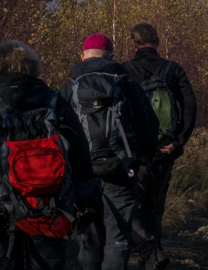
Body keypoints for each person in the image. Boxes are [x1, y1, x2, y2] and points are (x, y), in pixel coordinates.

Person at [0, 39, 99, 270]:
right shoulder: (55, 102)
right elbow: (81, 160)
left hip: (0, 212)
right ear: (32, 68)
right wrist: (86, 212)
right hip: (51, 209)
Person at [61, 33, 159, 270]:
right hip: (121, 171)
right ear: (112, 56)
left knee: (89, 237)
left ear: (82, 56)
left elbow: (58, 133)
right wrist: (142, 159)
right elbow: (149, 127)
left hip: (82, 175)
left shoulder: (68, 89)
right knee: (118, 238)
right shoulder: (126, 86)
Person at [123, 22, 197, 270]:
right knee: (155, 206)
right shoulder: (173, 70)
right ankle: (154, 254)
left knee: (131, 204)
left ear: (134, 43)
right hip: (167, 150)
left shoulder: (125, 72)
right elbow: (190, 106)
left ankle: (145, 253)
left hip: (137, 152)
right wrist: (178, 141)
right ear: (157, 42)